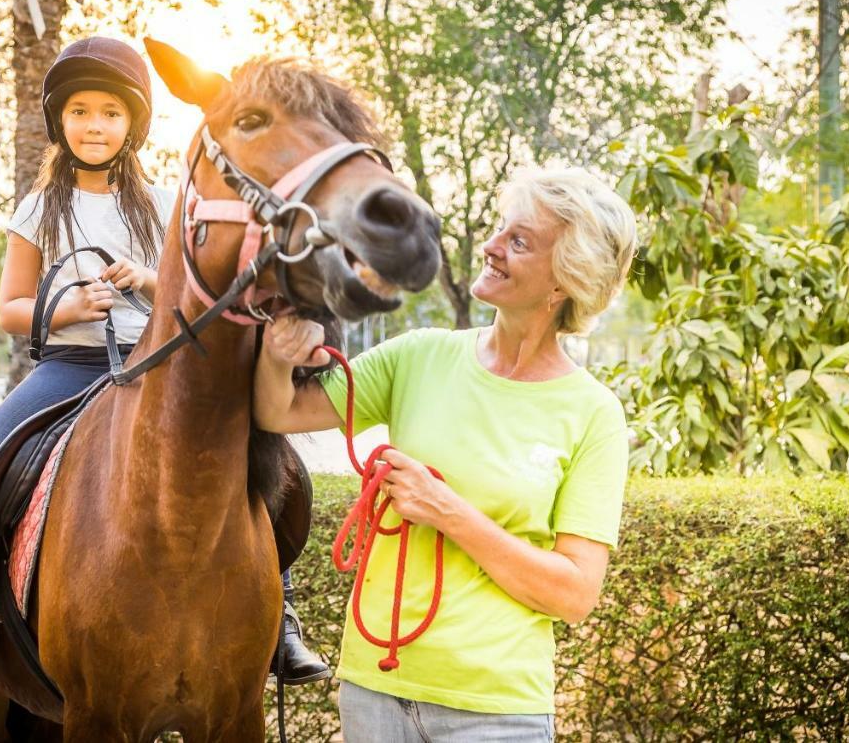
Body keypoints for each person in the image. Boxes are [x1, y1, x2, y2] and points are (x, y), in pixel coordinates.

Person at [0, 37, 326, 700]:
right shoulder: (38, 208)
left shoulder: (164, 202)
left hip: (156, 361)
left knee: (263, 455)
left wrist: (154, 281)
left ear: (132, 124)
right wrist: (64, 302)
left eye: (108, 112)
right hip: (70, 364)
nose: (93, 125)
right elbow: (12, 307)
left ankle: (283, 616)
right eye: (78, 111)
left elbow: (201, 291)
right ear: (59, 121)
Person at [254, 169, 637, 741]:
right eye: (499, 228)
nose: (491, 246)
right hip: (375, 691)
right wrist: (277, 357)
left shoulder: (592, 413)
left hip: (497, 710)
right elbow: (279, 413)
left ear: (565, 281)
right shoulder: (418, 355)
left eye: (520, 241)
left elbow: (574, 593)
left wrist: (445, 509)